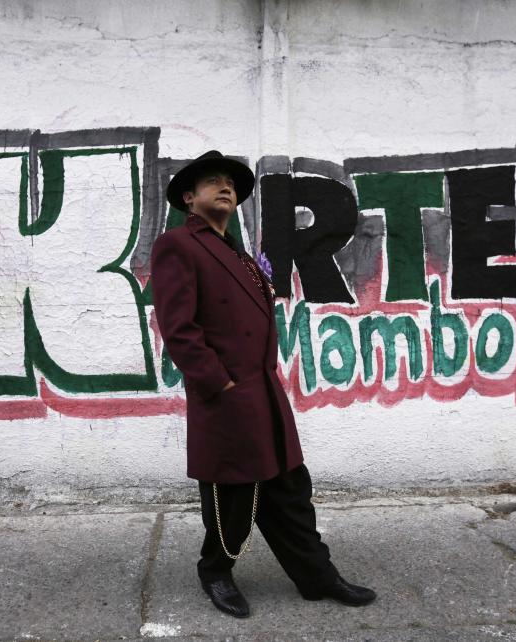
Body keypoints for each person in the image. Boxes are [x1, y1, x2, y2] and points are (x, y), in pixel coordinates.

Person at [149, 150, 376, 618]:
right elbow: (179, 329)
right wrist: (219, 385)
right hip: (227, 397)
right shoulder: (179, 245)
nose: (225, 188)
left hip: (264, 394)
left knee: (290, 488)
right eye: (213, 182)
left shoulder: (240, 253)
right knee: (232, 496)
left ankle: (316, 577)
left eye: (230, 183)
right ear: (190, 198)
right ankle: (215, 570)